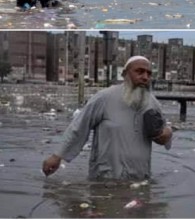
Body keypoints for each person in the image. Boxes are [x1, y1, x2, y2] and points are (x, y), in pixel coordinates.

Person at [42, 56, 173, 181]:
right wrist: (57, 156)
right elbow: (79, 127)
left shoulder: (152, 103)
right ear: (124, 74)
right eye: (139, 72)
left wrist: (167, 134)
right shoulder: (104, 98)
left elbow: (162, 136)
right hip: (105, 178)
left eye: (149, 74)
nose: (145, 77)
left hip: (140, 178)